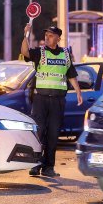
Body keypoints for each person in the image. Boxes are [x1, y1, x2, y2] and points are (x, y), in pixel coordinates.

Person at [21, 24, 83, 177]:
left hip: (58, 100)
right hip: (41, 99)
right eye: (46, 34)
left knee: (53, 135)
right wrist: (26, 35)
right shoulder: (40, 52)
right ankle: (35, 165)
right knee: (39, 132)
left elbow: (71, 75)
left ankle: (49, 168)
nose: (47, 37)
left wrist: (78, 92)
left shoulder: (65, 55)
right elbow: (24, 52)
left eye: (50, 35)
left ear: (57, 38)